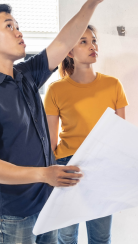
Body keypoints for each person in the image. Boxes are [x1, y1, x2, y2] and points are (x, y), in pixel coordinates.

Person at [0, 0, 118, 243]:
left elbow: (64, 42)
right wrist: (44, 174)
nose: (19, 31)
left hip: (44, 205)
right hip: (11, 215)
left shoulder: (25, 76)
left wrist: (94, 0)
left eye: (17, 25)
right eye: (9, 26)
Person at [44, 25, 128, 244]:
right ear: (70, 52)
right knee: (66, 236)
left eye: (93, 41)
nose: (92, 46)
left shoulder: (113, 85)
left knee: (100, 237)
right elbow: (51, 142)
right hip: (67, 165)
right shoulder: (55, 90)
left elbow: (119, 135)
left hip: (102, 166)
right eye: (83, 41)